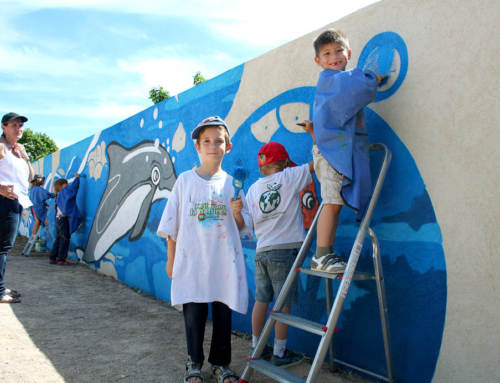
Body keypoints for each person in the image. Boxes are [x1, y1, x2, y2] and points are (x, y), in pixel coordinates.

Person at [157, 116, 250, 383]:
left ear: (228, 147)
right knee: (194, 313)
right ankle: (193, 362)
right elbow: (172, 223)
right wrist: (171, 259)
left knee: (223, 313)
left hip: (224, 264)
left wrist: (237, 213)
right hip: (192, 262)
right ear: (197, 146)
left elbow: (243, 228)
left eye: (218, 141)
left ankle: (221, 364)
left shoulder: (233, 185)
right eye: (206, 141)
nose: (213, 145)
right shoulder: (185, 181)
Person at [302, 29, 385, 273]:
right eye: (327, 53)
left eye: (339, 50)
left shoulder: (339, 81)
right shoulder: (331, 80)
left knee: (334, 202)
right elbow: (357, 86)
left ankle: (324, 253)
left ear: (348, 53)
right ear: (319, 61)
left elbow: (352, 88)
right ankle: (321, 255)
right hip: (330, 154)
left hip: (333, 152)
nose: (334, 56)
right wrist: (373, 78)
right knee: (332, 203)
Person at [245, 142, 314, 367]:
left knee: (261, 300)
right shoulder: (289, 176)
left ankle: (257, 347)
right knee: (282, 305)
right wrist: (315, 137)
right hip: (284, 251)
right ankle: (280, 353)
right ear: (284, 162)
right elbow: (316, 165)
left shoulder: (253, 189)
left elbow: (250, 222)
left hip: (262, 251)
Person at [0, 112, 33, 303]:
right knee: (2, 248)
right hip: (4, 201)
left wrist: (26, 157)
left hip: (17, 201)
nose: (18, 128)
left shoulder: (17, 150)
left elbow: (29, 178)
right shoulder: (1, 147)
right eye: (14, 125)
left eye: (20, 126)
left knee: (4, 247)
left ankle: (1, 286)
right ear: (4, 127)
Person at [50, 174, 82, 265]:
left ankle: (53, 257)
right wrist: (77, 178)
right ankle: (61, 259)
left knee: (59, 238)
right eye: (66, 183)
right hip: (62, 220)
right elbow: (73, 190)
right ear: (62, 185)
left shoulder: (58, 194)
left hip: (58, 219)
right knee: (65, 238)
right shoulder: (64, 192)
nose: (67, 185)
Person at [28, 175, 55, 244]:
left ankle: (33, 236)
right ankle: (49, 238)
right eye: (41, 179)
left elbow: (37, 198)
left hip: (33, 207)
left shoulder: (33, 189)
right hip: (39, 208)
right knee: (42, 221)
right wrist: (55, 195)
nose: (42, 181)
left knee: (36, 221)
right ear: (36, 180)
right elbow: (46, 195)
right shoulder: (38, 189)